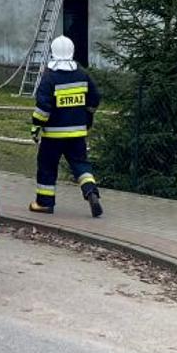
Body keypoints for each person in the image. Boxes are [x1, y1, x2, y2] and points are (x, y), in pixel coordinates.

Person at [29, 36, 103, 217]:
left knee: (47, 167)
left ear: (53, 52)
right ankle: (91, 191)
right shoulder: (82, 73)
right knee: (81, 164)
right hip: (77, 133)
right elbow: (95, 98)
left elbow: (43, 107)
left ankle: (44, 203)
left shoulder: (49, 77)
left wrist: (36, 126)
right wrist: (88, 116)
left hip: (53, 136)